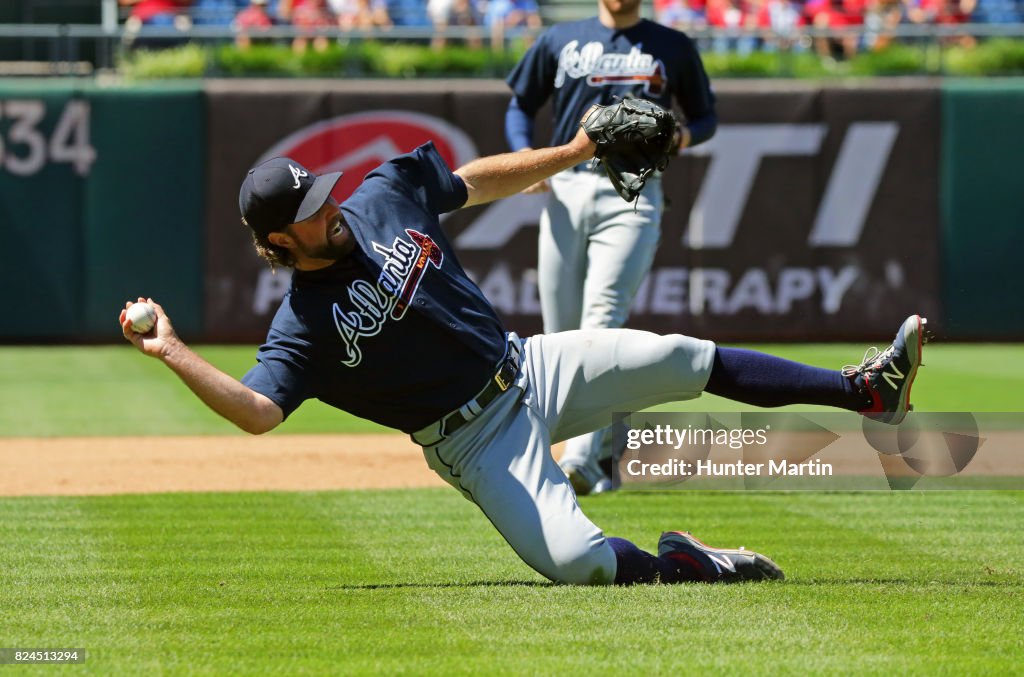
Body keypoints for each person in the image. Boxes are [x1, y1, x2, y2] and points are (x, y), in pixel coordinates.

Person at [119, 112, 927, 587]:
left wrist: (575, 152)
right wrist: (172, 350)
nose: (327, 206)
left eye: (321, 192)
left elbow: (472, 182)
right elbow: (260, 411)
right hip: (473, 441)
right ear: (275, 240)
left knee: (682, 355)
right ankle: (692, 565)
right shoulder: (301, 324)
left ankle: (866, 390)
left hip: (530, 364)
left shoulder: (380, 197)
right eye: (307, 208)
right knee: (579, 562)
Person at [504, 0, 717, 495]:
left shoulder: (672, 45)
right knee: (559, 335)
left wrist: (677, 136)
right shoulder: (560, 39)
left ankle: (579, 460)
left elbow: (706, 117)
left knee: (601, 319)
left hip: (634, 194)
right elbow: (520, 103)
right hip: (564, 185)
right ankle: (603, 451)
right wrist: (526, 155)